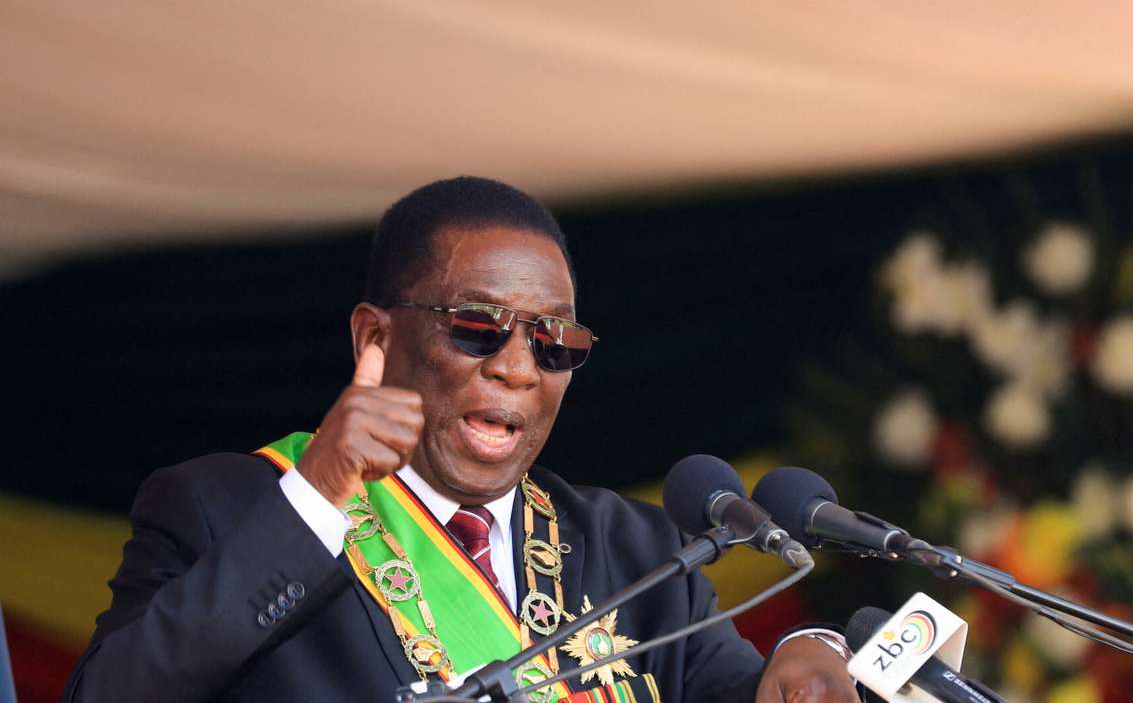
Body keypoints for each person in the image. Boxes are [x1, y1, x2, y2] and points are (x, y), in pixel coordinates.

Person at [64, 177, 859, 702]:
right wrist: (316, 499)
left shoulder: (641, 549)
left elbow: (743, 689)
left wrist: (809, 648)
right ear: (375, 336)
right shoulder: (222, 507)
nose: (517, 367)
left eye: (554, 342)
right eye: (477, 326)